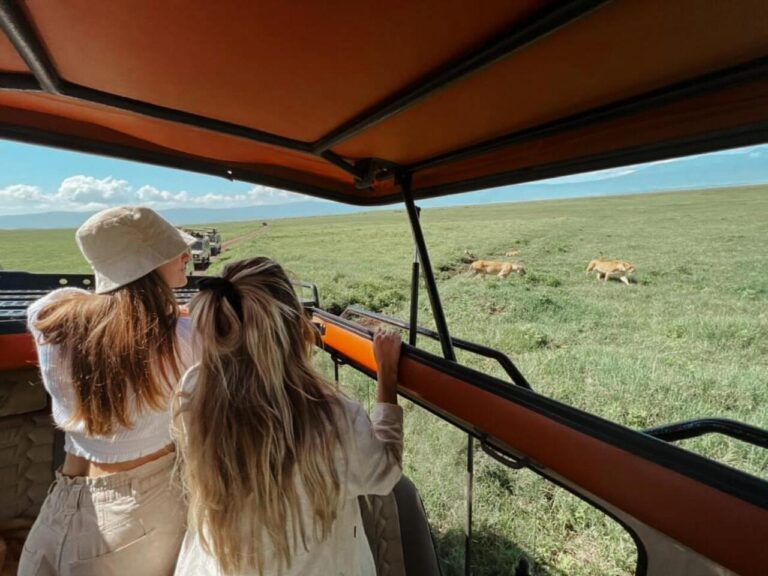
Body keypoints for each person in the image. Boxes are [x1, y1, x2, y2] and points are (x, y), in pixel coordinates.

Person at [173, 257, 403, 576]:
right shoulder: (333, 416)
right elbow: (385, 474)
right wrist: (386, 377)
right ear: (295, 327)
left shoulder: (193, 391)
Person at [19, 206, 197, 576]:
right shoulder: (185, 337)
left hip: (62, 502)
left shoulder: (51, 323)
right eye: (171, 250)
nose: (187, 257)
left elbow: (66, 300)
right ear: (143, 266)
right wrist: (175, 311)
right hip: (138, 510)